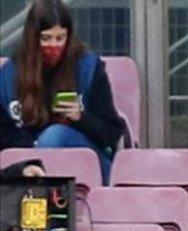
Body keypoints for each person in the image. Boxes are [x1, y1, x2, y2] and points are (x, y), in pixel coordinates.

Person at [0, 0, 125, 182]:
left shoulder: (88, 68)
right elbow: (4, 133)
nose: (54, 45)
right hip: (28, 163)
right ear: (33, 38)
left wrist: (81, 117)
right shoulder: (10, 74)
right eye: (46, 38)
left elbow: (112, 134)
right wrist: (32, 148)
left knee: (55, 136)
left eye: (60, 38)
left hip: (88, 161)